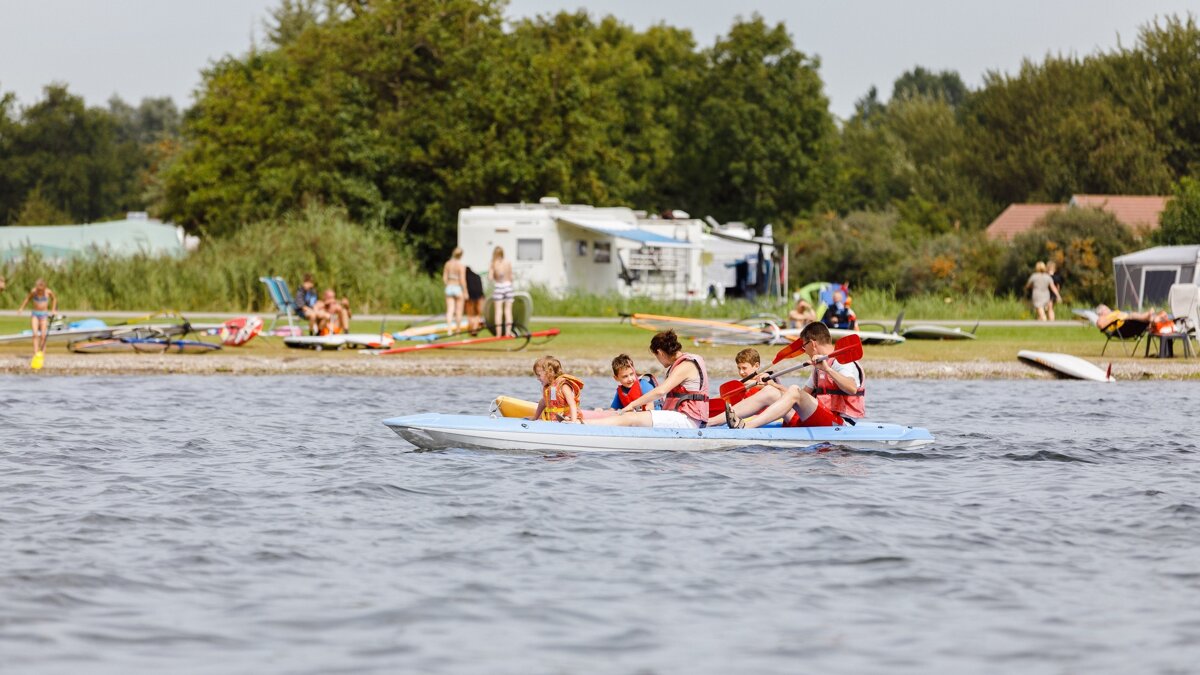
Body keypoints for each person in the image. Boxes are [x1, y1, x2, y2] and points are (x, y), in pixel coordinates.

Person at [725, 322, 864, 430]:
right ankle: (715, 421)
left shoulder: (842, 363)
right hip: (822, 418)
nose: (804, 350)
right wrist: (774, 385)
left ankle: (747, 426)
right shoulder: (819, 367)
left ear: (813, 344)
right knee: (771, 392)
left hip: (842, 424)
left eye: (804, 346)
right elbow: (800, 397)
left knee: (794, 389)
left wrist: (827, 370)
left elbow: (852, 388)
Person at [586, 330, 709, 429]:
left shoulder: (686, 365)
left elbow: (660, 391)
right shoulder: (686, 362)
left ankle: (584, 426)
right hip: (681, 417)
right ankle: (587, 420)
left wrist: (632, 405)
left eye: (656, 356)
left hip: (688, 420)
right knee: (628, 416)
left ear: (660, 353)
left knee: (630, 418)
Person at [704, 347, 782, 427]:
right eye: (739, 368)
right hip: (746, 415)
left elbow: (767, 386)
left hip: (762, 418)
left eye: (744, 368)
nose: (741, 372)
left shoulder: (765, 376)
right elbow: (724, 397)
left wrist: (745, 383)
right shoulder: (741, 383)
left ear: (756, 366)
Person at [530, 356, 585, 423]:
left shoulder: (563, 386)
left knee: (568, 419)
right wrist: (535, 418)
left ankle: (576, 421)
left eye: (539, 375)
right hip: (556, 420)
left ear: (549, 373)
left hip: (570, 417)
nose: (537, 378)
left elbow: (572, 404)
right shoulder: (552, 388)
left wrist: (573, 421)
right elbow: (543, 402)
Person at [18, 278, 57, 361]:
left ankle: (42, 354)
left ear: (44, 288)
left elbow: (54, 299)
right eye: (38, 290)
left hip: (44, 315)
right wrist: (21, 308)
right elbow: (27, 299)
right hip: (35, 314)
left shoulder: (48, 292)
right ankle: (35, 353)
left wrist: (53, 310)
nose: (39, 291)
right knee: (35, 334)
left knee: (43, 335)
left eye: (41, 290)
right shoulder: (33, 291)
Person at [489, 246, 515, 337]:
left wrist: (493, 273)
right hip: (508, 286)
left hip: (499, 286)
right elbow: (511, 277)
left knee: (498, 311)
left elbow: (490, 278)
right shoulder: (508, 262)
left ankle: (498, 334)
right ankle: (508, 333)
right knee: (508, 311)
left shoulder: (493, 263)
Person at [1094, 304, 1170, 331]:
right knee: (1132, 315)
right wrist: (1114, 318)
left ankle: (1154, 318)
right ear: (1102, 312)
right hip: (1123, 326)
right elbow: (1101, 325)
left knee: (1134, 315)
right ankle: (1153, 317)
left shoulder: (1112, 313)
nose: (1108, 309)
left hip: (1128, 322)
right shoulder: (1102, 318)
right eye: (1106, 309)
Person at [443, 247, 467, 335]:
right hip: (457, 287)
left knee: (450, 310)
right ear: (461, 255)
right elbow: (462, 280)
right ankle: (458, 330)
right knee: (458, 311)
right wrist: (465, 292)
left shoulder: (448, 264)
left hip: (449, 287)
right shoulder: (460, 266)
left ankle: (449, 330)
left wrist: (448, 285)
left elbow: (444, 278)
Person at [464, 266, 485, 335]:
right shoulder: (477, 276)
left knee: (470, 314)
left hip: (470, 297)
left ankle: (472, 329)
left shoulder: (465, 277)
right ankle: (475, 328)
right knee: (477, 314)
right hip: (480, 297)